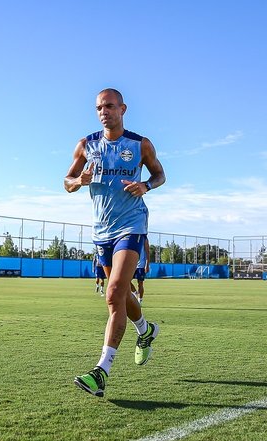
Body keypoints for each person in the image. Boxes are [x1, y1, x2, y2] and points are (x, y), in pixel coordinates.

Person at [64, 88, 166, 397]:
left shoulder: (139, 144)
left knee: (112, 295)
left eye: (109, 106)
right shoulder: (86, 145)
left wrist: (145, 185)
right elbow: (66, 182)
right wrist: (78, 182)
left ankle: (101, 371)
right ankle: (145, 330)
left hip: (131, 225)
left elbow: (160, 174)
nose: (103, 111)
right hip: (101, 232)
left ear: (123, 108)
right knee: (120, 295)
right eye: (98, 107)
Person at [130, 235, 151, 305]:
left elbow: (147, 251)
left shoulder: (144, 238)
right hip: (132, 265)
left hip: (141, 265)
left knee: (140, 284)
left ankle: (140, 301)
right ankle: (135, 293)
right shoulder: (130, 237)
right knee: (126, 282)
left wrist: (147, 264)